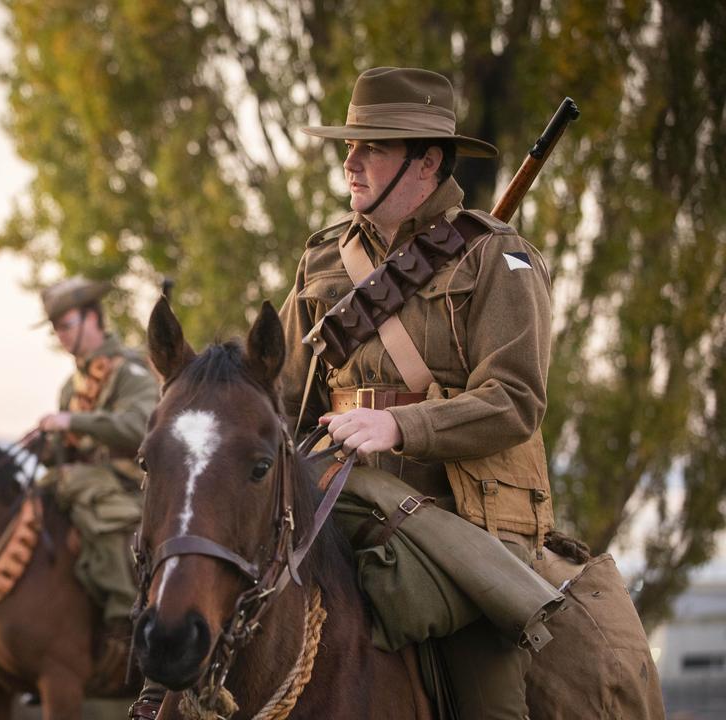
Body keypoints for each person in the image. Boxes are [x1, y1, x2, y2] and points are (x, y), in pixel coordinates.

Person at [276, 66, 555, 718]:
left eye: (372, 145)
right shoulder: (322, 260)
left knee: (491, 696)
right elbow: (286, 400)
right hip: (340, 504)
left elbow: (516, 398)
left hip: (462, 517)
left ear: (427, 161)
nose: (351, 160)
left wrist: (401, 428)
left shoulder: (497, 258)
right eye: (349, 145)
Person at [35, 277, 158, 675]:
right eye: (56, 328)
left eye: (67, 323)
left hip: (131, 485)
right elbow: (65, 455)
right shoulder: (71, 385)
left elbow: (141, 425)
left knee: (89, 502)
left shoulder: (130, 370)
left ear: (93, 319)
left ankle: (126, 622)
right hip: (85, 484)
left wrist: (75, 419)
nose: (62, 335)